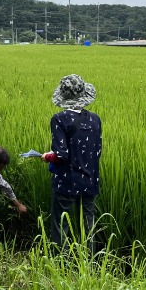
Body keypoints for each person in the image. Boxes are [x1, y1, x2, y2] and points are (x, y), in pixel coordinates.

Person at [41, 74, 102, 251]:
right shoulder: (95, 119)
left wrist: (47, 157)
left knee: (61, 223)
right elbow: (97, 150)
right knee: (88, 223)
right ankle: (90, 263)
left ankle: (61, 264)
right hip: (90, 180)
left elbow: (61, 155)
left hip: (67, 181)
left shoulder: (59, 119)